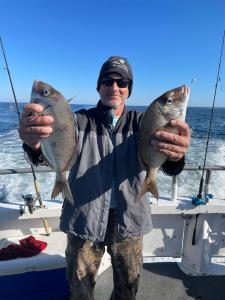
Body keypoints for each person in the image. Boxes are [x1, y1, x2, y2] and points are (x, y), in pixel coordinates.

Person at [18, 56, 190, 300]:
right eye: (108, 80)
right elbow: (51, 151)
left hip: (130, 221)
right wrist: (33, 145)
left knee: (127, 291)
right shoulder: (76, 122)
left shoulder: (145, 122)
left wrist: (176, 156)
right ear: (98, 86)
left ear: (129, 90)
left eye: (122, 82)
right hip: (83, 221)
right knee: (78, 292)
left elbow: (167, 161)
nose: (115, 87)